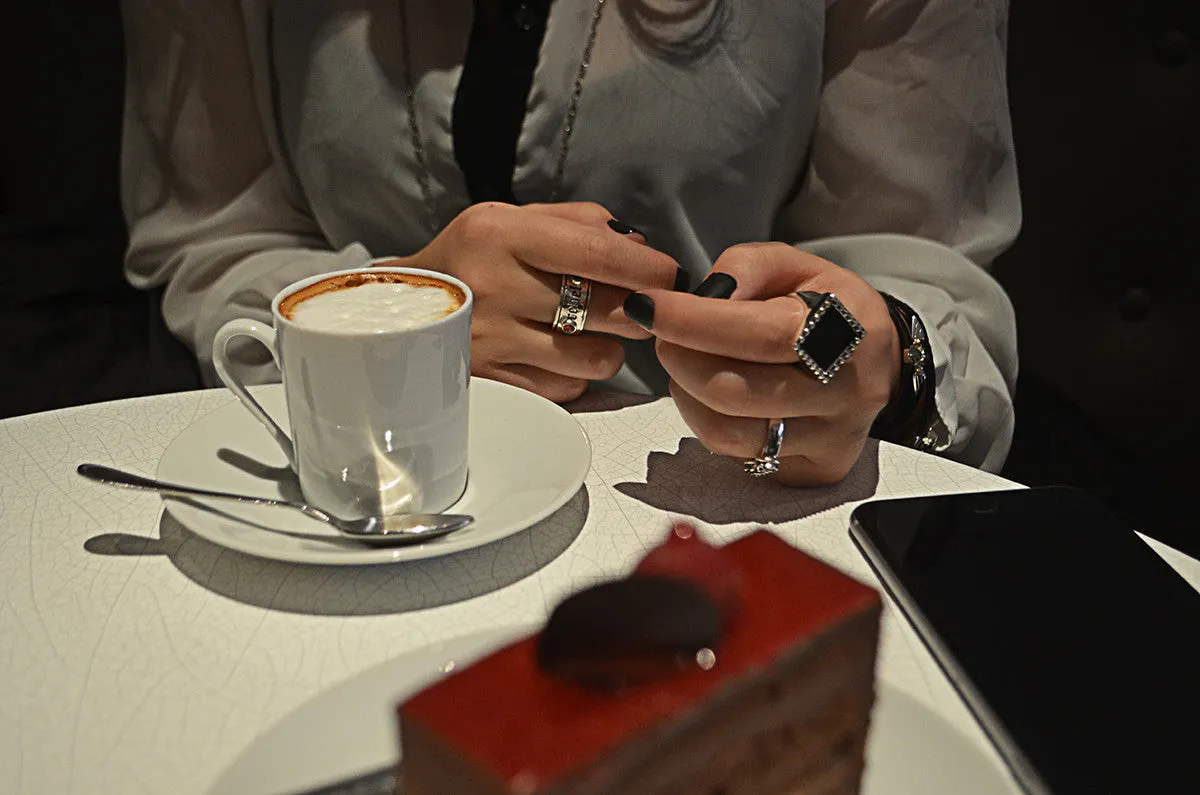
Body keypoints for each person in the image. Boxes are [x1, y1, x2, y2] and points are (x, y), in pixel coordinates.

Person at [119, 0, 1019, 485]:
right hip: (347, 503)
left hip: (712, 508)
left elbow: (929, 277)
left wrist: (873, 363)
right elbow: (218, 234)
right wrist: (383, 325)